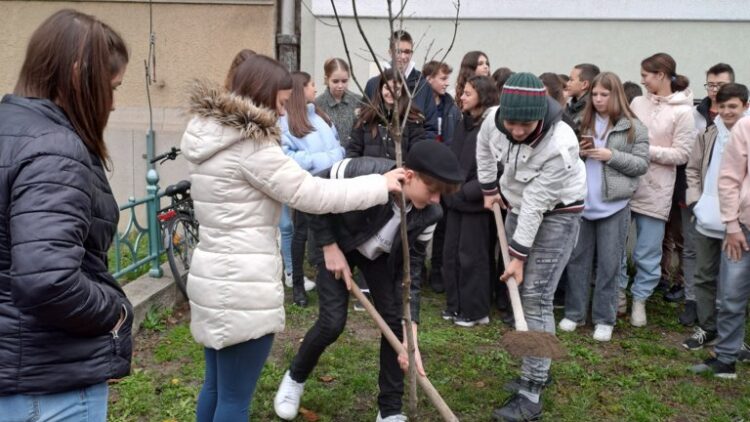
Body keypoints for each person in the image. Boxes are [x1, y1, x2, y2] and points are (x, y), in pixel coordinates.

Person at [182, 53, 406, 421]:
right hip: (242, 284)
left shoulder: (211, 136)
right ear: (263, 93)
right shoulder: (251, 148)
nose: (284, 113)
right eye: (283, 103)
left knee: (216, 387)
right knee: (235, 400)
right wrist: (379, 184)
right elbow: (313, 194)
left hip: (213, 275)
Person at [0, 9, 132, 420]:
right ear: (79, 75)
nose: (112, 103)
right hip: (48, 387)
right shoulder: (54, 148)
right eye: (112, 87)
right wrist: (116, 313)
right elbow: (47, 280)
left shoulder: (11, 128)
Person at [274, 141, 463, 422]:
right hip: (337, 239)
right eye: (433, 190)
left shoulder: (430, 215)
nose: (436, 200)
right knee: (332, 322)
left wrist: (410, 335)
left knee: (394, 325)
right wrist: (328, 246)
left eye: (441, 195)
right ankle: (294, 379)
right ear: (409, 175)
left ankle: (389, 411)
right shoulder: (361, 170)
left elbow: (409, 271)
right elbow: (312, 192)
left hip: (377, 257)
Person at [477, 73, 586, 421]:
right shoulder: (493, 122)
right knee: (518, 292)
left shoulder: (560, 144)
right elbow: (483, 147)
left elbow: (538, 203)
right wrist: (489, 187)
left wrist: (519, 257)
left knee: (536, 296)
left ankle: (531, 394)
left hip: (557, 213)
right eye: (512, 122)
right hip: (515, 203)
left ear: (541, 114)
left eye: (526, 124)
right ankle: (537, 367)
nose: (518, 130)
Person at [558, 72, 649, 342]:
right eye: (595, 94)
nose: (598, 100)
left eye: (604, 95)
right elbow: (563, 156)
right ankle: (574, 314)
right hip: (582, 204)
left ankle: (604, 319)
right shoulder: (579, 121)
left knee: (610, 265)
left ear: (616, 95)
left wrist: (611, 156)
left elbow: (641, 165)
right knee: (577, 262)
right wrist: (579, 152)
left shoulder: (633, 126)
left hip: (614, 205)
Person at [619, 52, 695, 327]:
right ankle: (619, 295)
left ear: (661, 75)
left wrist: (645, 151)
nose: (642, 81)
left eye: (646, 76)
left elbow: (682, 154)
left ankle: (640, 299)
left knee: (647, 250)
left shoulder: (683, 111)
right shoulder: (638, 102)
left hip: (657, 188)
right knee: (616, 244)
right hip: (626, 183)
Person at [682, 83, 749, 350]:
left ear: (745, 106)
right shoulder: (708, 134)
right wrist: (696, 202)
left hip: (738, 221)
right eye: (722, 106)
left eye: (733, 106)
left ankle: (733, 337)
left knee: (734, 283)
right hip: (707, 218)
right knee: (704, 275)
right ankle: (707, 327)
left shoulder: (745, 134)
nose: (727, 111)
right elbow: (692, 170)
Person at [280, 71, 346, 306]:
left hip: (330, 184)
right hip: (306, 186)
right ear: (300, 89)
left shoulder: (320, 116)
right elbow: (287, 156)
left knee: (330, 233)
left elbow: (337, 144)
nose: (315, 89)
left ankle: (329, 280)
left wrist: (336, 157)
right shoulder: (286, 121)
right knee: (301, 235)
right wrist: (319, 160)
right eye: (311, 85)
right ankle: (297, 285)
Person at [442, 75, 500, 326]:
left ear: (483, 97)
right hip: (455, 201)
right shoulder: (462, 123)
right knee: (451, 254)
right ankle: (455, 305)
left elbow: (496, 167)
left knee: (472, 258)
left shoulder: (494, 127)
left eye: (467, 93)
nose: (462, 97)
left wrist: (467, 192)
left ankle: (475, 311)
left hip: (475, 205)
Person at [422, 60, 462, 294]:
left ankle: (437, 269)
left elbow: (454, 138)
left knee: (442, 224)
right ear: (429, 80)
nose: (447, 83)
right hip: (424, 170)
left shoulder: (451, 107)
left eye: (448, 79)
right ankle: (419, 268)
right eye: (443, 78)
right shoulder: (419, 104)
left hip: (443, 171)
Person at [364, 30, 438, 141]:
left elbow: (431, 128)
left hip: (413, 154)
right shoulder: (373, 84)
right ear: (390, 52)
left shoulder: (422, 85)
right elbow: (363, 124)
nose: (403, 56)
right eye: (398, 51)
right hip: (379, 155)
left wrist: (418, 151)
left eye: (407, 52)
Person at [347, 68, 425, 159]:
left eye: (396, 89)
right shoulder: (365, 117)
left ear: (403, 90)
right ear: (380, 88)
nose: (391, 92)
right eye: (387, 88)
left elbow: (417, 156)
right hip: (370, 172)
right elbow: (353, 152)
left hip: (400, 172)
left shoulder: (412, 120)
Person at [315, 57, 360, 147]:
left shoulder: (358, 101)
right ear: (327, 79)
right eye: (335, 81)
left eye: (344, 81)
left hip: (353, 157)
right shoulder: (318, 104)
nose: (340, 85)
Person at [694, 63, 735, 132]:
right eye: (710, 85)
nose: (715, 89)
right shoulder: (694, 113)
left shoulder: (743, 113)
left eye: (721, 85)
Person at [565, 63, 601, 131]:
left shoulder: (591, 110)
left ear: (584, 84)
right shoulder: (572, 107)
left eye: (571, 80)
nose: (567, 83)